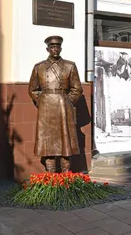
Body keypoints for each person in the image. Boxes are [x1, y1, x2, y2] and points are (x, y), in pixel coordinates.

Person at [28, 36, 83, 173]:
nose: (55, 50)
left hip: (63, 107)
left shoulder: (70, 66)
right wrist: (42, 101)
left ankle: (66, 175)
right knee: (48, 142)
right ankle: (50, 177)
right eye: (52, 47)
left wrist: (67, 101)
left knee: (66, 141)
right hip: (46, 108)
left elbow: (77, 89)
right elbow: (32, 89)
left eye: (57, 47)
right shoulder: (39, 67)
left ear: (61, 48)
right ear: (47, 49)